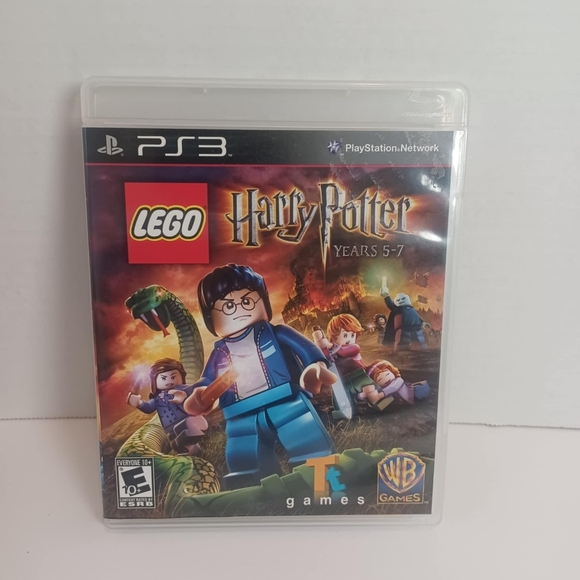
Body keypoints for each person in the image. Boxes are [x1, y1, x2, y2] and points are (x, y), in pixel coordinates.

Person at [183, 263, 336, 489]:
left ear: (263, 302)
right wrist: (200, 396)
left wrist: (315, 366)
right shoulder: (219, 353)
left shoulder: (277, 332)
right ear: (210, 318)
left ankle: (321, 483)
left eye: (247, 301)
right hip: (240, 414)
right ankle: (253, 491)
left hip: (285, 400)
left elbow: (307, 350)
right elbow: (207, 382)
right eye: (228, 306)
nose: (239, 310)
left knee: (307, 443)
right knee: (245, 460)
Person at [127, 358, 208, 455]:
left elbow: (195, 389)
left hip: (184, 420)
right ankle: (181, 447)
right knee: (179, 441)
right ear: (155, 381)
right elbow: (148, 408)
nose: (169, 381)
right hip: (170, 428)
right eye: (163, 378)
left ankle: (192, 430)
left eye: (173, 377)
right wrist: (139, 403)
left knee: (189, 434)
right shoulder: (157, 399)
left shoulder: (183, 390)